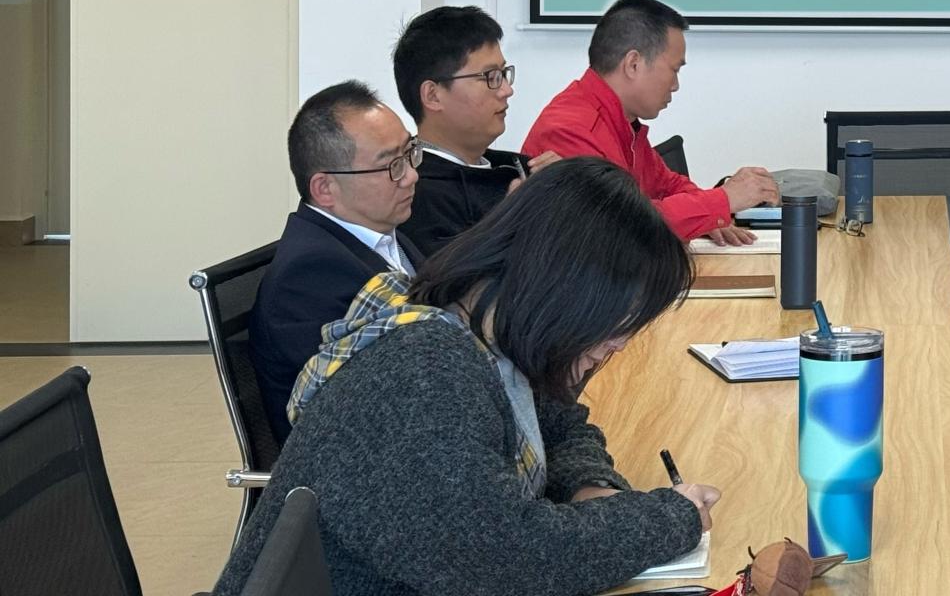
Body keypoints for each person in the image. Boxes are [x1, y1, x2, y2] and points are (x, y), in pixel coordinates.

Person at [213, 158, 720, 596]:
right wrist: (670, 516)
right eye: (619, 324)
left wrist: (589, 486)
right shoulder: (423, 373)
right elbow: (507, 561)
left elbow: (560, 422)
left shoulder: (484, 328)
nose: (619, 346)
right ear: (566, 293)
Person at [522, 0, 778, 244]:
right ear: (633, 64)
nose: (675, 85)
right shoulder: (570, 130)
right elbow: (620, 229)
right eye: (674, 70)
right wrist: (723, 200)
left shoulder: (621, 121)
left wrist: (709, 215)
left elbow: (667, 185)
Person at [250, 81, 425, 442]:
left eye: (410, 152)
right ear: (325, 189)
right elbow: (373, 403)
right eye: (391, 165)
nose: (411, 175)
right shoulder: (308, 276)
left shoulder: (384, 234)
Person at [391, 5, 556, 256]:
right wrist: (514, 217)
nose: (506, 90)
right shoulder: (413, 192)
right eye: (490, 77)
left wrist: (570, 189)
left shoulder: (521, 167)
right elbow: (450, 276)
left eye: (503, 74)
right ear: (433, 95)